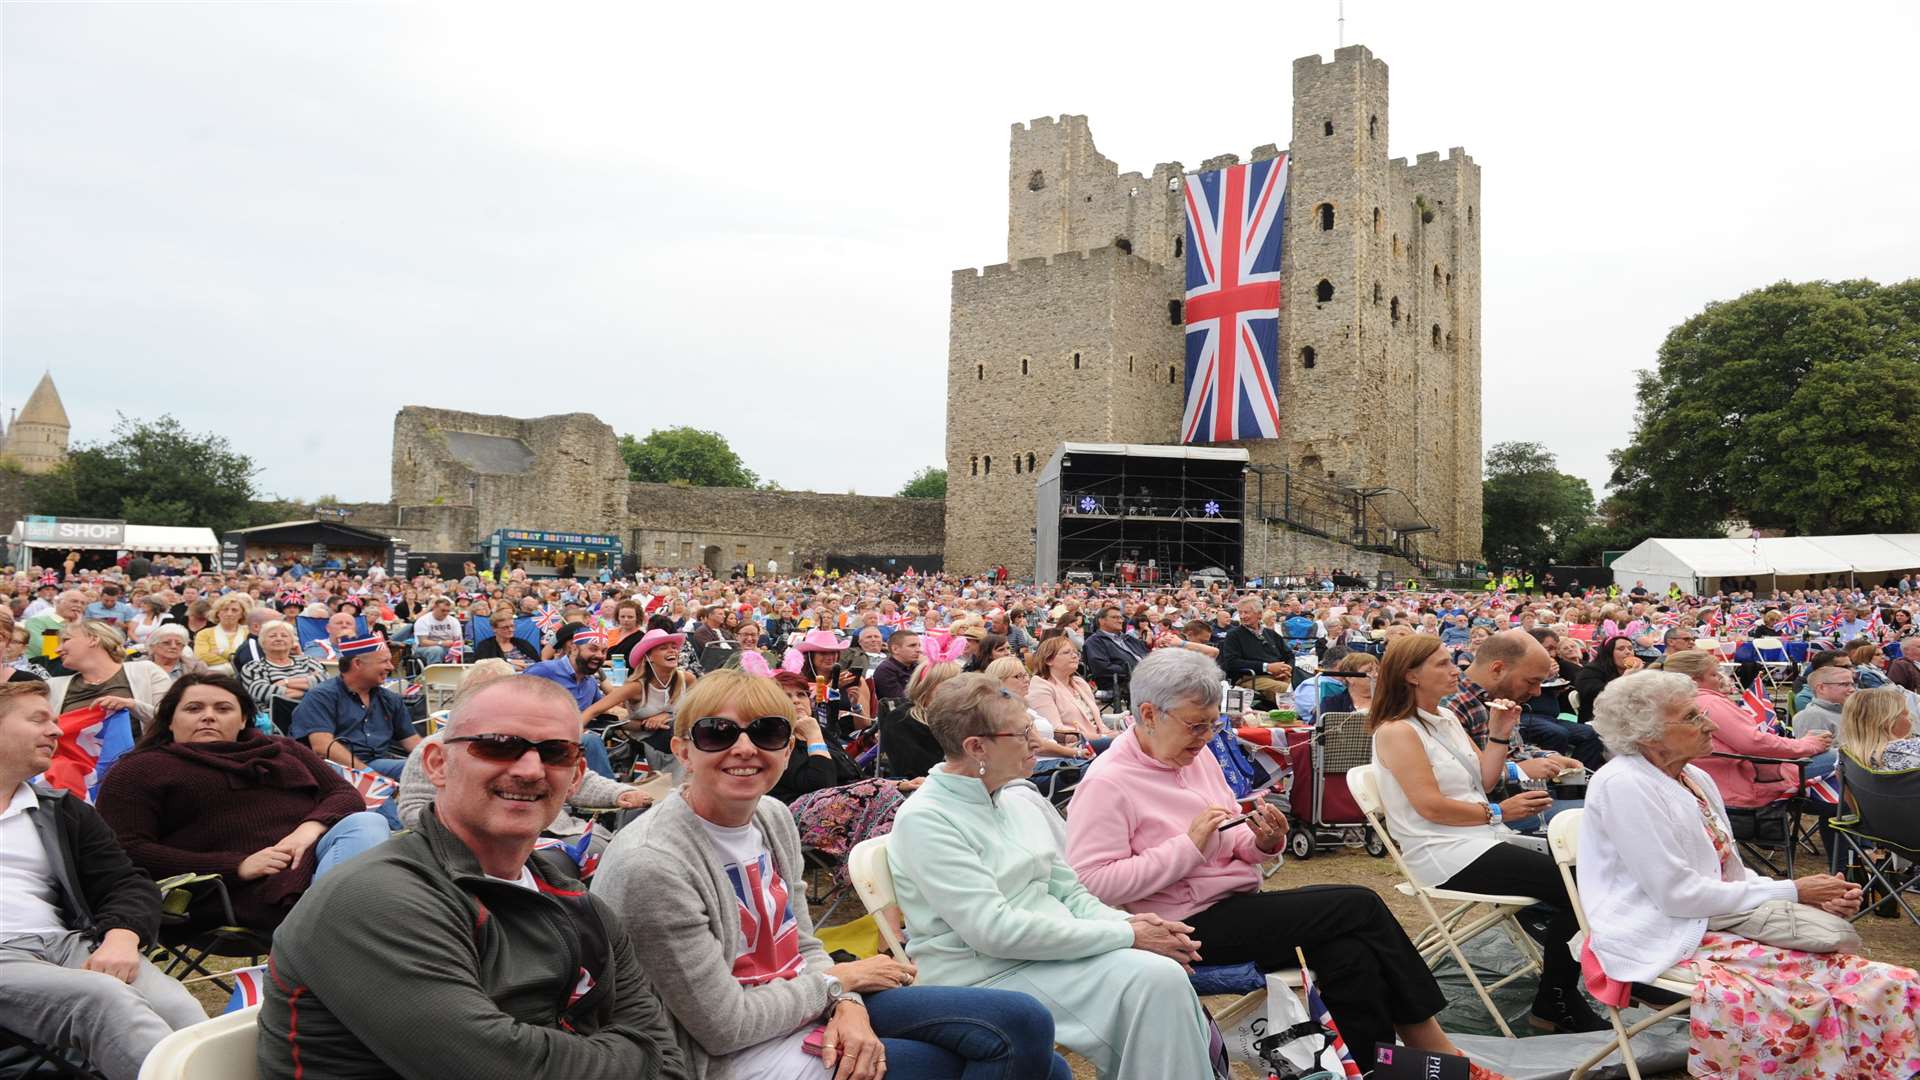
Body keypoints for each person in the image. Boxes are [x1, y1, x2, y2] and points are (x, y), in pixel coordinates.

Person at [593, 668, 1069, 1080]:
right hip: (726, 1057)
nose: (744, 748)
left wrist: (847, 1004)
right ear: (682, 750)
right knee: (1036, 1065)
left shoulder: (771, 817)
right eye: (717, 734)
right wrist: (839, 984)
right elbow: (724, 1027)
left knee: (1024, 1023)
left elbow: (801, 945)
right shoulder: (653, 865)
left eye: (768, 733)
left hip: (801, 1004)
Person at [1067, 649, 1495, 1079]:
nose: (1203, 738)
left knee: (1349, 953)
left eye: (1212, 725)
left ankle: (1373, 1069)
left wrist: (1263, 842)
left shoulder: (1194, 758)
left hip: (1232, 906)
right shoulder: (1108, 782)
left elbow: (1228, 833)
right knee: (1359, 905)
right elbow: (1095, 884)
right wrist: (1189, 846)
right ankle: (1439, 1054)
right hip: (1180, 927)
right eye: (1195, 726)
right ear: (1148, 714)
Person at [257, 674, 689, 1080]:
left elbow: (668, 1056)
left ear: (575, 777)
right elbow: (500, 1067)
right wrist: (638, 1056)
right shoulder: (371, 898)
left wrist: (641, 1054)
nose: (530, 770)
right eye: (498, 746)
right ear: (438, 764)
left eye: (556, 752)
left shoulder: (573, 899)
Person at [1580, 670, 1916, 1078]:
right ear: (1648, 735)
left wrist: (1807, 892)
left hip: (1711, 922)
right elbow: (1676, 896)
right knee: (1820, 996)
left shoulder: (1694, 777)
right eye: (1692, 717)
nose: (1712, 724)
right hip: (1661, 932)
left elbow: (1730, 876)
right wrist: (1794, 891)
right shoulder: (1624, 785)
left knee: (1887, 983)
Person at [886, 672, 1218, 1080]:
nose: (1037, 743)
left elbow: (1070, 892)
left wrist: (1134, 923)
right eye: (1022, 733)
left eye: (1031, 728)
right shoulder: (927, 819)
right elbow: (993, 931)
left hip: (1042, 953)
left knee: (1158, 976)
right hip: (979, 974)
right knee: (1154, 980)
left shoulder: (1016, 798)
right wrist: (1127, 935)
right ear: (976, 748)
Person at [1367, 634, 1603, 1032]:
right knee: (1578, 884)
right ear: (1411, 675)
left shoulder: (1444, 718)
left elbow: (1485, 778)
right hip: (1442, 850)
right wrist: (1498, 811)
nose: (1454, 669)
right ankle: (1555, 1002)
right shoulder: (1397, 731)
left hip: (1476, 840)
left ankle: (1559, 996)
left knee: (1585, 872)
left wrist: (1498, 732)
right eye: (1442, 664)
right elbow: (1430, 807)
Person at [0, 680, 207, 1080]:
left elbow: (125, 882)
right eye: (39, 719)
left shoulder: (60, 811)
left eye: (56, 720)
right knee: (103, 999)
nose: (57, 731)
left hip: (65, 945)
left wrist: (123, 936)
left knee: (182, 1013)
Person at [94, 674, 388, 933]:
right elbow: (127, 850)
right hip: (229, 890)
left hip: (318, 863)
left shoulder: (281, 749)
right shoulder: (140, 769)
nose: (208, 716)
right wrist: (238, 866)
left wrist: (306, 831)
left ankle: (321, 929)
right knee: (373, 902)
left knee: (368, 823)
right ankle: (330, 932)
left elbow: (346, 795)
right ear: (170, 720)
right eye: (194, 708)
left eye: (223, 709)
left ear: (244, 719)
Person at [1663, 650, 1834, 809]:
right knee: (1843, 758)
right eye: (1714, 674)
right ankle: (1847, 831)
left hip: (1703, 786)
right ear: (1694, 680)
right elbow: (1753, 742)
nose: (1720, 679)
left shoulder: (1669, 704)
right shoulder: (1708, 703)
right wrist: (1807, 745)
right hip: (1743, 785)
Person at [288, 635, 419, 825]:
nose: (391, 667)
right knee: (381, 799)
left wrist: (440, 759)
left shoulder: (390, 699)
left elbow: (413, 742)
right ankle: (401, 835)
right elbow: (322, 746)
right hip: (334, 771)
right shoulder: (322, 696)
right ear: (357, 663)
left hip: (376, 765)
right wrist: (369, 775)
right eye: (384, 661)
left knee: (426, 769)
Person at [45, 621, 173, 732]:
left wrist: (132, 706)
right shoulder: (53, 686)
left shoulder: (146, 671)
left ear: (94, 639)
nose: (57, 650)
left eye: (66, 640)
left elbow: (173, 720)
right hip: (74, 759)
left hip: (138, 757)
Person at [986, 657, 1093, 764]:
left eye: (1026, 674)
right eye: (1019, 676)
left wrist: (1064, 747)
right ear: (999, 682)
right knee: (1099, 764)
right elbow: (1038, 746)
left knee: (1105, 747)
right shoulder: (1007, 711)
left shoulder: (1024, 707)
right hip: (1040, 766)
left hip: (1057, 757)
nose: (1027, 680)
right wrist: (1075, 752)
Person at [877, 660, 963, 779]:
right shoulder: (902, 719)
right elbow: (914, 772)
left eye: (959, 685)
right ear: (926, 686)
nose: (955, 690)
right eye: (947, 683)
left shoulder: (961, 716)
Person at [1024, 636, 1108, 752]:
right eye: (1067, 652)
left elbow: (1097, 722)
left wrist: (1110, 732)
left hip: (1098, 739)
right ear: (1049, 660)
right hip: (1074, 748)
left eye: (1076, 653)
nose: (1074, 656)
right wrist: (1103, 738)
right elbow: (1056, 731)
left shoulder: (1080, 683)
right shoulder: (1041, 687)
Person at [241, 619, 325, 732]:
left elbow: (324, 682)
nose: (279, 638)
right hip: (276, 722)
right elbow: (262, 691)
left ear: (292, 642)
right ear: (262, 642)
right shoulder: (253, 667)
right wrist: (309, 689)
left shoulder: (307, 661)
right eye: (272, 636)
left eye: (284, 635)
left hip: (314, 715)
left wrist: (285, 682)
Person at [1218, 595, 1295, 706]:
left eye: (1246, 612)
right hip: (1251, 677)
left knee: (1304, 687)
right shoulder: (1234, 635)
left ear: (1259, 614)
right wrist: (1267, 667)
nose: (1242, 616)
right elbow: (1232, 662)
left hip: (1280, 676)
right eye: (1240, 613)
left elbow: (1289, 655)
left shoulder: (1270, 634)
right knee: (1287, 690)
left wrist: (1287, 668)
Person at [1838, 684, 1920, 771]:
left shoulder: (1846, 753)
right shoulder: (1913, 754)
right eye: (1906, 714)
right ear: (1888, 722)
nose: (1911, 718)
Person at [1571, 634, 1639, 724]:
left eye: (1630, 648)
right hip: (1600, 720)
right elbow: (1598, 694)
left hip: (1630, 717)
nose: (1628, 652)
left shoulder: (1635, 670)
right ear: (1609, 653)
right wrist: (1624, 680)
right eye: (1621, 649)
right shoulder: (1591, 670)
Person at [1081, 605, 1148, 687]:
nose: (1120, 621)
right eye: (1115, 617)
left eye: (1121, 618)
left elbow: (1147, 654)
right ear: (1102, 621)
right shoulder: (1094, 642)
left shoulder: (1128, 638)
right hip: (1125, 685)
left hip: (1147, 677)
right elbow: (1102, 668)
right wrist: (1136, 670)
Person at [1795, 661, 1857, 737]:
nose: (1852, 689)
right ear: (1821, 688)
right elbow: (1814, 748)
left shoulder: (1847, 710)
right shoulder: (1812, 716)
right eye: (1845, 684)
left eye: (1852, 684)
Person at [192, 593, 253, 668]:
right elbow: (201, 657)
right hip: (213, 677)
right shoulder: (204, 634)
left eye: (234, 610)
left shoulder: (249, 633)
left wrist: (222, 652)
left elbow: (251, 657)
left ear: (242, 614)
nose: (229, 613)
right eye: (225, 609)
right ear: (217, 613)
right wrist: (236, 658)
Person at [472, 610, 539, 669]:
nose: (510, 630)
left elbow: (537, 662)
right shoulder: (485, 646)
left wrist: (511, 663)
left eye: (512, 626)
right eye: (505, 627)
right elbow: (482, 665)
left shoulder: (523, 643)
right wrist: (511, 663)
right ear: (494, 629)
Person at [143, 624, 209, 682]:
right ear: (152, 646)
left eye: (179, 643)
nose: (174, 646)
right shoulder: (138, 667)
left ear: (183, 647)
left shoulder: (197, 667)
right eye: (166, 643)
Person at [871, 628, 922, 702]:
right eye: (912, 646)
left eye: (919, 645)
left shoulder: (916, 666)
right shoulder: (885, 670)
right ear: (895, 649)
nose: (918, 650)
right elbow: (901, 702)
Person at [411, 595, 463, 666]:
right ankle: (435, 674)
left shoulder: (453, 620)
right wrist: (441, 643)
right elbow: (423, 642)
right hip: (424, 648)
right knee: (436, 650)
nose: (445, 613)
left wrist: (455, 644)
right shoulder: (423, 620)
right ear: (434, 608)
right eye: (443, 610)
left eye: (448, 611)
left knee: (466, 649)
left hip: (449, 647)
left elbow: (457, 639)